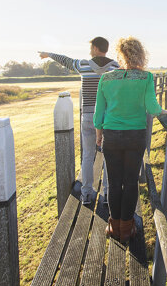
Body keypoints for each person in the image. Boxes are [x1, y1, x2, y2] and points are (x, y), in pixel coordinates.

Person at [94, 37, 167, 243]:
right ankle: (127, 228)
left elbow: (99, 112)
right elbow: (152, 108)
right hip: (135, 136)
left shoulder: (106, 79)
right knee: (131, 182)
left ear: (120, 54)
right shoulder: (145, 78)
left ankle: (113, 225)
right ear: (140, 54)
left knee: (114, 182)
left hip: (111, 136)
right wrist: (164, 112)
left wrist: (99, 135)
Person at [39, 37, 120, 205]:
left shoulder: (83, 65)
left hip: (88, 117)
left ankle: (86, 194)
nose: (90, 50)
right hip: (108, 118)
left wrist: (49, 54)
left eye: (91, 47)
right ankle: (106, 195)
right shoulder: (115, 67)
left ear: (96, 48)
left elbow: (66, 61)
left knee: (88, 155)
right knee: (108, 157)